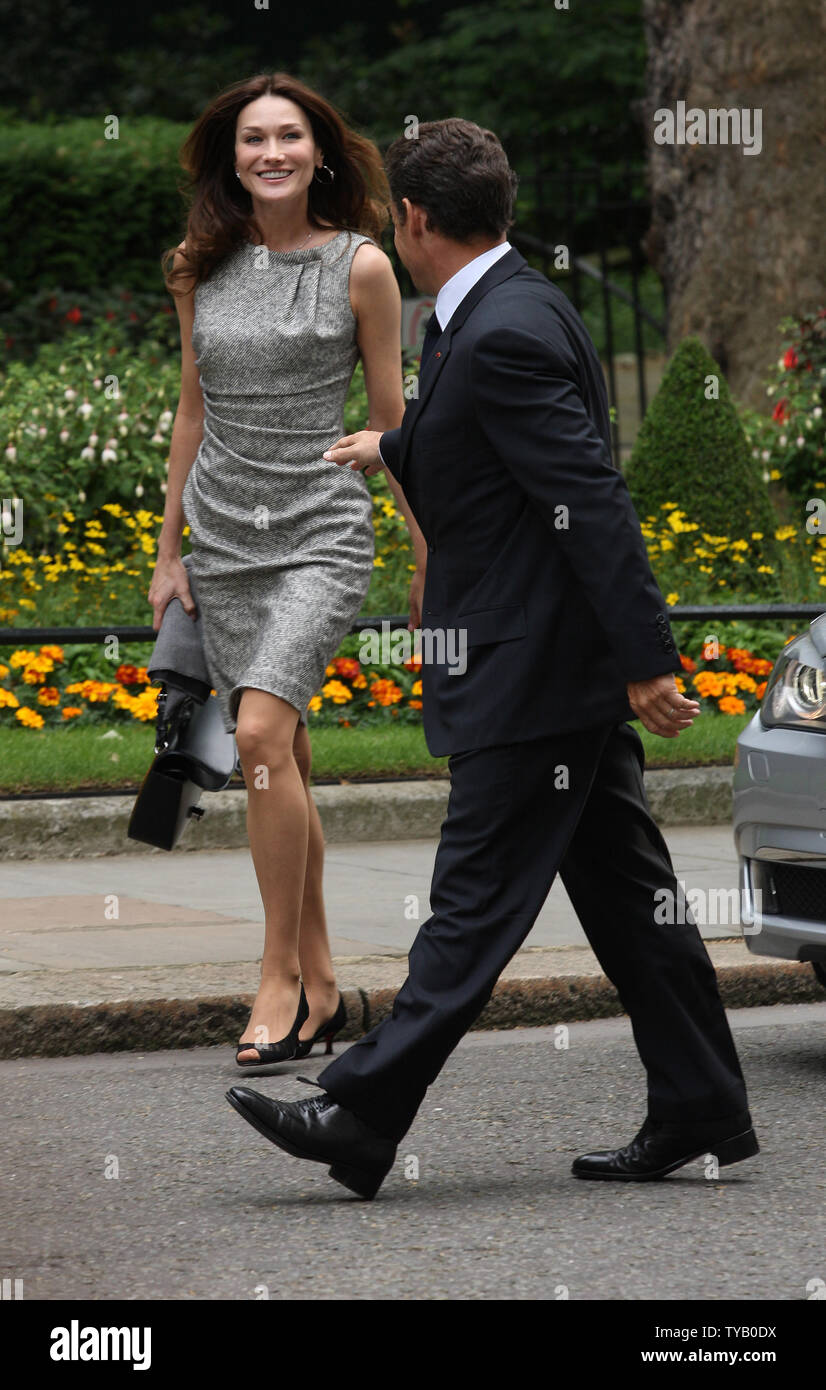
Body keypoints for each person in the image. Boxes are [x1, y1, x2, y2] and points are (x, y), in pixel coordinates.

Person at [226, 118, 758, 1199]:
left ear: (414, 221)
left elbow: (587, 499)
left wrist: (646, 658)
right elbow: (492, 444)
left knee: (468, 908)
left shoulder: (501, 326)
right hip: (553, 672)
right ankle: (700, 1103)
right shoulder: (507, 305)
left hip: (530, 675)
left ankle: (360, 1113)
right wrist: (396, 445)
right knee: (632, 905)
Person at [150, 73, 426, 1068]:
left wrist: (425, 545)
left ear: (320, 153)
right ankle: (320, 985)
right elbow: (191, 411)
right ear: (232, 157)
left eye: (289, 137)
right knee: (285, 762)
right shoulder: (197, 265)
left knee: (258, 734)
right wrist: (167, 550)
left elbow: (395, 421)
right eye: (253, 139)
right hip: (222, 540)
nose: (271, 153)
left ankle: (274, 975)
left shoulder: (361, 266)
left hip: (318, 530)